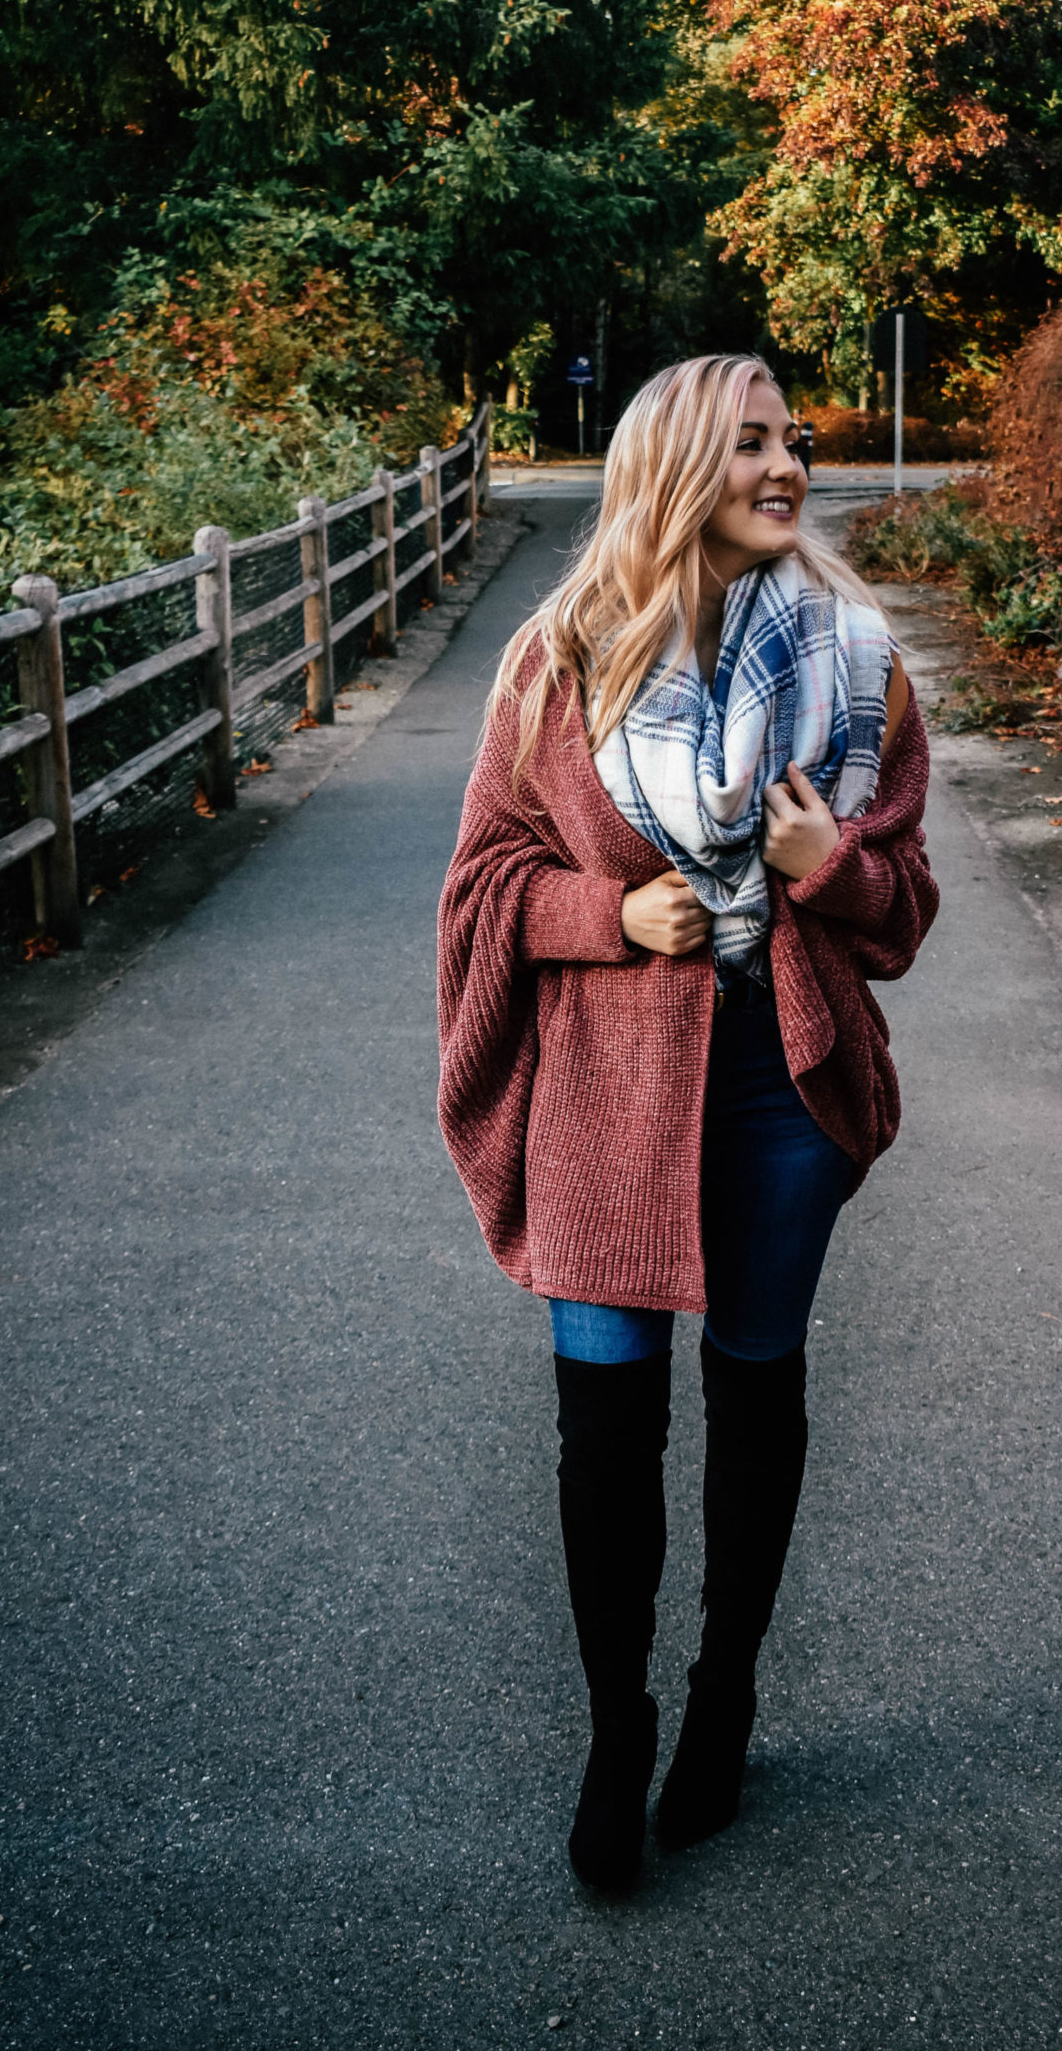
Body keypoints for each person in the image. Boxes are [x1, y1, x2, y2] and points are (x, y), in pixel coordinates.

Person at [437, 353, 937, 1892]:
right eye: (748, 446)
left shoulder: (860, 666)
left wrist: (825, 865)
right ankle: (616, 1729)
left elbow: (904, 910)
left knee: (757, 1394)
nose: (787, 465)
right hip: (603, 1093)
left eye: (791, 440)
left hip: (775, 1085)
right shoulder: (557, 666)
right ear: (670, 469)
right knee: (605, 1430)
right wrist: (610, 912)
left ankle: (724, 1703)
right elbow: (480, 891)